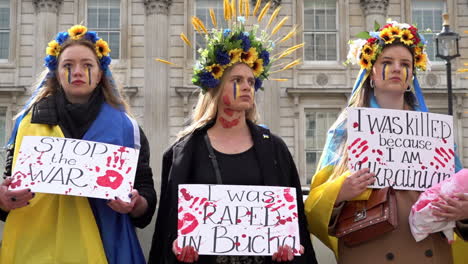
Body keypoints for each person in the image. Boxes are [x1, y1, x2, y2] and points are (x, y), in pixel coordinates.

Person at [149, 1, 317, 263]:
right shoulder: (184, 150)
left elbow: (295, 223)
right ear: (216, 87)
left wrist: (289, 248)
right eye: (237, 81)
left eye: (251, 81)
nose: (248, 87)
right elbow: (169, 226)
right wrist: (178, 249)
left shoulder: (275, 149)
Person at [304, 20, 468, 263]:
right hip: (369, 250)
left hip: (429, 250)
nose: (396, 69)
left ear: (412, 73)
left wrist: (464, 213)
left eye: (405, 64)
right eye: (387, 62)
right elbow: (316, 205)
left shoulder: (435, 131)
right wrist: (339, 192)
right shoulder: (346, 128)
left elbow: (457, 187)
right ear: (371, 71)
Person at [0, 25, 156, 263]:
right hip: (39, 248)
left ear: (101, 73)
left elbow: (145, 196)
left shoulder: (128, 128)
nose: (78, 72)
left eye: (87, 65)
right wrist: (3, 199)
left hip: (106, 246)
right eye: (68, 66)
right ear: (56, 72)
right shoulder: (26, 124)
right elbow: (9, 188)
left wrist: (135, 204)